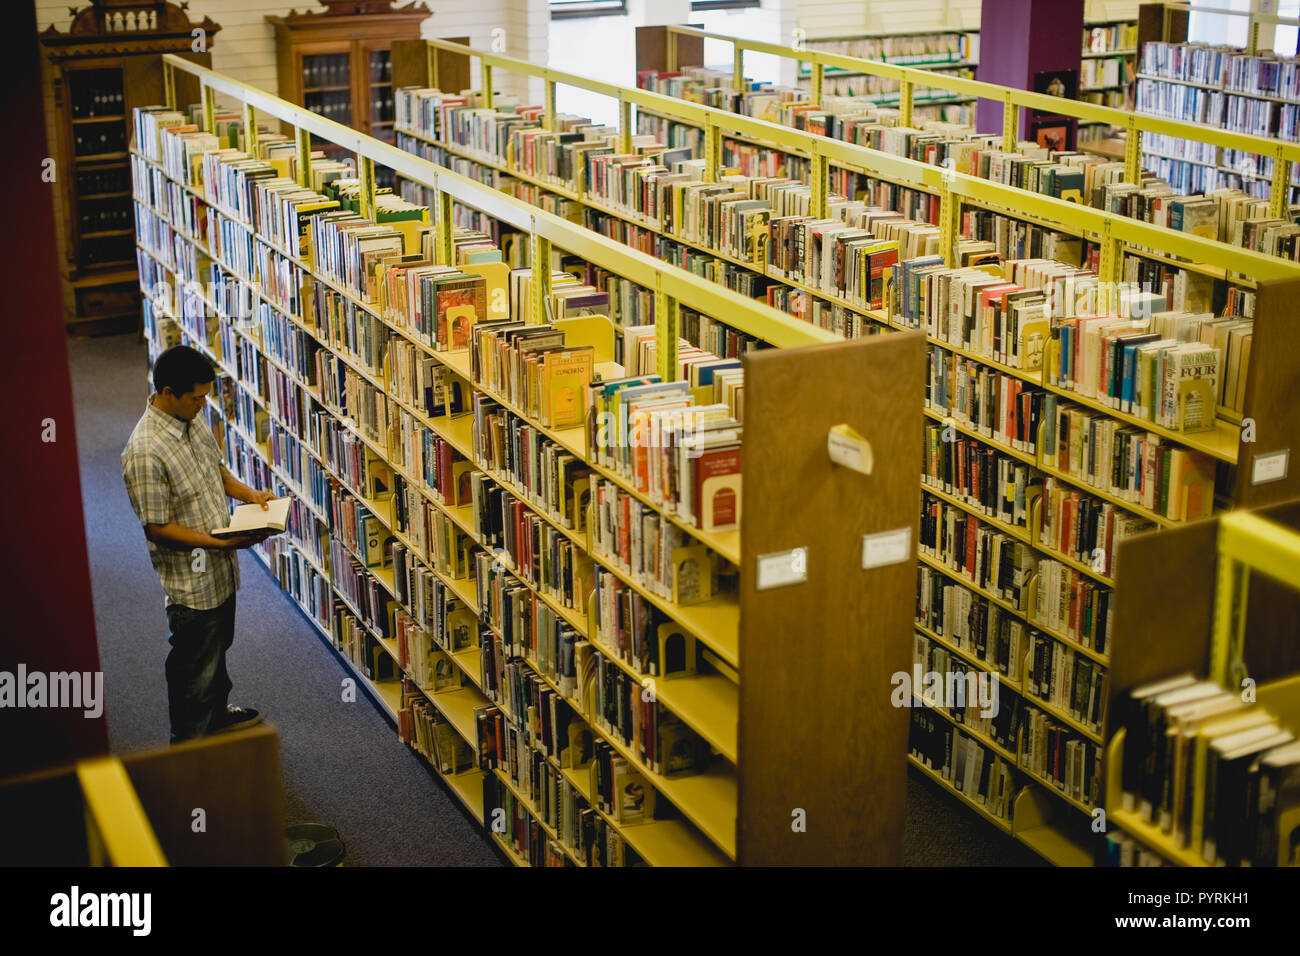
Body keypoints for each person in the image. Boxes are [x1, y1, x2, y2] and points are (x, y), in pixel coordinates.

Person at [122, 345, 275, 743]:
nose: (203, 404)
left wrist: (251, 495)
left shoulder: (191, 418)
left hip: (220, 571)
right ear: (168, 392)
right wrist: (217, 543)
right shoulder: (145, 451)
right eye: (196, 397)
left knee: (216, 653)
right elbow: (157, 527)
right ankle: (190, 747)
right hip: (191, 587)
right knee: (194, 667)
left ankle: (216, 716)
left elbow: (217, 470)